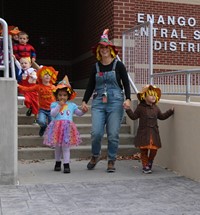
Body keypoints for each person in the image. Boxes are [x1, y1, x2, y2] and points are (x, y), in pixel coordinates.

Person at [81, 29, 131, 173]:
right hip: (98, 102)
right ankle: (95, 155)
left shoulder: (119, 65)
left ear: (111, 49)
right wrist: (84, 101)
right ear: (98, 50)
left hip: (115, 102)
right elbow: (90, 85)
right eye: (101, 48)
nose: (104, 50)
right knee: (96, 133)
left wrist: (128, 99)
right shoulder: (95, 67)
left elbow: (126, 84)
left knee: (113, 134)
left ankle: (111, 160)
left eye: (106, 47)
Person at [124, 85, 174, 174]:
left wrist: (170, 111)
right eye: (151, 95)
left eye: (155, 95)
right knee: (144, 150)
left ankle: (150, 161)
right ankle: (145, 165)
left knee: (154, 149)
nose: (153, 97)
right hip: (144, 133)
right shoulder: (140, 107)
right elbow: (134, 117)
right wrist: (128, 110)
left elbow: (161, 117)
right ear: (144, 96)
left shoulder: (156, 108)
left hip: (154, 133)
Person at [43, 78, 88, 173]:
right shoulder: (54, 104)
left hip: (67, 128)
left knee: (66, 147)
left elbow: (78, 113)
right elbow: (53, 114)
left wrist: (83, 111)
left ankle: (66, 164)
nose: (62, 97)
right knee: (58, 147)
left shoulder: (72, 105)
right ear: (56, 95)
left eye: (64, 95)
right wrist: (59, 106)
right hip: (57, 128)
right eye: (60, 95)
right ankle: (57, 163)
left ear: (68, 96)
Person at [18, 66, 58, 136]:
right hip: (42, 109)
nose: (47, 76)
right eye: (45, 74)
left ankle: (50, 139)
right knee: (41, 121)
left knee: (52, 124)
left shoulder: (53, 87)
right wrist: (19, 86)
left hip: (52, 110)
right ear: (41, 76)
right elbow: (28, 89)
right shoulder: (38, 86)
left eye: (49, 75)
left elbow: (60, 95)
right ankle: (43, 127)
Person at [14, 56, 39, 123]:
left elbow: (36, 77)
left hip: (33, 90)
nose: (23, 65)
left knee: (35, 105)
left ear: (30, 64)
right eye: (22, 63)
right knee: (27, 100)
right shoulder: (23, 71)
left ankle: (36, 119)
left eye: (25, 63)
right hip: (25, 90)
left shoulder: (32, 70)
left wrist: (32, 76)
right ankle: (30, 107)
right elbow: (19, 66)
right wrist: (15, 60)